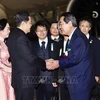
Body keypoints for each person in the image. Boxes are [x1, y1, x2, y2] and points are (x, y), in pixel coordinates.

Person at [46, 12, 95, 100]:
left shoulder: (78, 38)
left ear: (69, 23)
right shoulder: (73, 37)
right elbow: (67, 55)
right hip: (75, 81)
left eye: (60, 24)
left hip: (81, 82)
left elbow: (74, 59)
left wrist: (57, 63)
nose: (59, 27)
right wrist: (55, 60)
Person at [7, 11, 46, 100]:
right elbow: (31, 58)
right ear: (24, 23)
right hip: (25, 81)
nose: (31, 25)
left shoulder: (13, 35)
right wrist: (44, 63)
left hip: (20, 79)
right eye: (30, 23)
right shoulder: (20, 37)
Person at [33, 20, 60, 100]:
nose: (42, 32)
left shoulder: (55, 44)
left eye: (44, 30)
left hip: (51, 80)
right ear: (36, 32)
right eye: (39, 30)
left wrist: (55, 78)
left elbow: (58, 61)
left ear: (47, 31)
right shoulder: (31, 45)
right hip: (37, 80)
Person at [79, 18, 100, 82]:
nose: (84, 28)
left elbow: (97, 58)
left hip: (91, 73)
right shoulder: (74, 40)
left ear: (90, 28)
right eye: (82, 26)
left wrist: (97, 74)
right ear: (79, 27)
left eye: (87, 26)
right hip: (78, 73)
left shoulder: (95, 41)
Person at [0, 18, 15, 100]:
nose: (9, 31)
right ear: (1, 30)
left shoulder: (3, 43)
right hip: (1, 75)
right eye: (8, 28)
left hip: (6, 74)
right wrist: (10, 68)